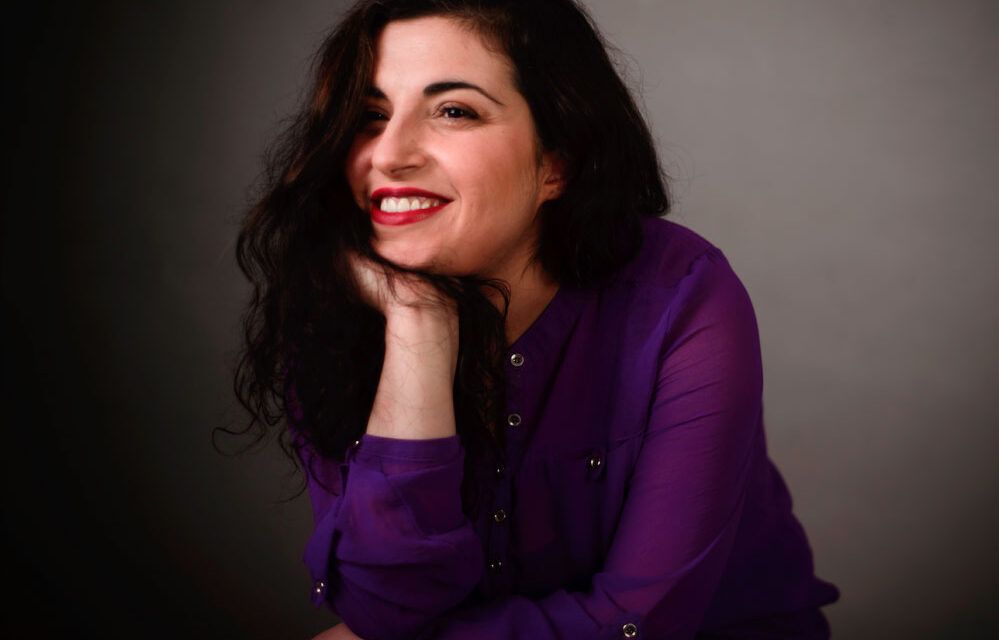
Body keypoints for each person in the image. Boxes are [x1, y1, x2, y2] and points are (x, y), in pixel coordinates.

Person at [233, 0, 840, 638]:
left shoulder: (682, 294)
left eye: (454, 111)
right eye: (371, 116)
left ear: (557, 162)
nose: (389, 154)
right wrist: (419, 326)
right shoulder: (339, 303)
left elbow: (641, 622)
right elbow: (384, 608)